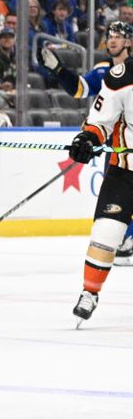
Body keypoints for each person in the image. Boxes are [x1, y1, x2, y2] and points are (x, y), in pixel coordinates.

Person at [41, 21, 133, 265]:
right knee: (117, 193)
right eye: (109, 36)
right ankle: (126, 239)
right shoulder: (103, 71)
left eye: (118, 36)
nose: (112, 40)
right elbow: (80, 90)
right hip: (111, 142)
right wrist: (59, 70)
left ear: (129, 42)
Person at [68, 54, 133, 326]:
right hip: (125, 170)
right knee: (106, 232)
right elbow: (100, 120)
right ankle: (89, 293)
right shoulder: (121, 76)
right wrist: (87, 138)